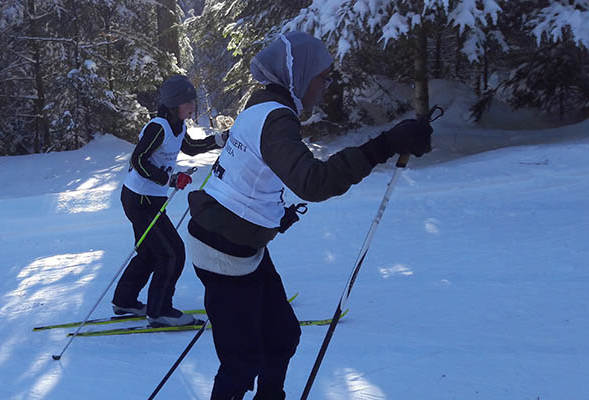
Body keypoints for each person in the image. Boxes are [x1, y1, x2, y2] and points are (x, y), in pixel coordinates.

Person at [185, 31, 433, 399]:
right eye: (322, 77)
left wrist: (272, 214)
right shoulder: (276, 117)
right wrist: (385, 144)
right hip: (223, 249)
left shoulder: (261, 104)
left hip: (233, 240)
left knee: (282, 335)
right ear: (297, 74)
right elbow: (313, 183)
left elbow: (247, 170)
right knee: (242, 361)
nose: (325, 86)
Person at [112, 74, 228, 327]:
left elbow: (191, 148)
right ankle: (159, 310)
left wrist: (220, 140)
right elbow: (138, 160)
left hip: (147, 198)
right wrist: (170, 179)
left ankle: (125, 300)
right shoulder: (158, 126)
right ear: (176, 103)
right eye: (189, 102)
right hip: (139, 199)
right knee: (172, 253)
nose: (192, 106)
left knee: (150, 252)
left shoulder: (177, 127)